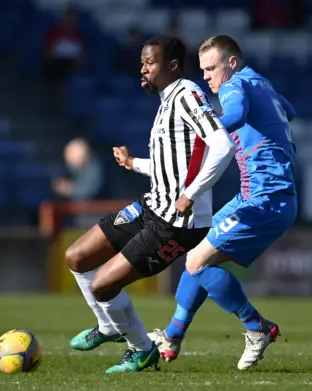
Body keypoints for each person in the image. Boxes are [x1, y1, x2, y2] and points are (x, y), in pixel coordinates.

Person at [65, 35, 235, 374]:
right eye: (142, 62)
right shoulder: (167, 101)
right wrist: (135, 164)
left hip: (176, 223)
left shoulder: (187, 94)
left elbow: (223, 145)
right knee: (77, 257)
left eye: (149, 62)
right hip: (151, 206)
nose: (142, 69)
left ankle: (142, 350)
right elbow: (172, 164)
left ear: (172, 66)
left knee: (103, 285)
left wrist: (190, 194)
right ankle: (109, 326)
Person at [147, 35, 298, 370]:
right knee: (195, 258)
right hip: (261, 195)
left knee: (198, 262)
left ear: (231, 63)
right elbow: (288, 110)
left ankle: (256, 327)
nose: (206, 77)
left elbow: (237, 113)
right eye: (202, 70)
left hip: (264, 198)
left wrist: (203, 130)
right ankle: (171, 336)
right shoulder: (261, 81)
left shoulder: (233, 87)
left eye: (211, 68)